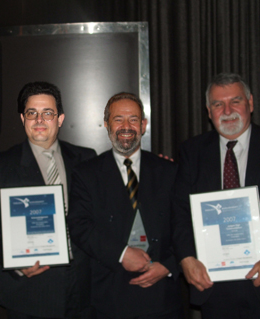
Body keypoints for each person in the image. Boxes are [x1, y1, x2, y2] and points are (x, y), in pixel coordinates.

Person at [173, 73, 260, 318]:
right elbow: (179, 210)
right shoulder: (191, 152)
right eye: (218, 104)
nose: (227, 110)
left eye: (235, 101)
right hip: (214, 288)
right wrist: (186, 258)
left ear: (250, 103)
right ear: (209, 111)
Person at [0, 81, 96, 319]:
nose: (39, 120)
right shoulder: (0, 166)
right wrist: (16, 263)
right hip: (31, 292)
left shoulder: (86, 159)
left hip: (83, 288)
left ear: (60, 119)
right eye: (31, 113)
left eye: (48, 113)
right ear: (22, 119)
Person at [67, 92, 182, 319]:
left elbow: (184, 224)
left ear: (143, 125)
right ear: (107, 124)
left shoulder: (169, 171)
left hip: (163, 297)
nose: (126, 126)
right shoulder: (86, 174)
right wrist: (121, 254)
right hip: (110, 298)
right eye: (118, 119)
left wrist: (170, 265)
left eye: (133, 119)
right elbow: (79, 226)